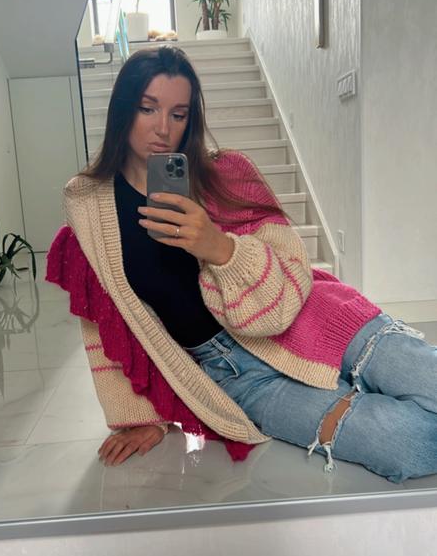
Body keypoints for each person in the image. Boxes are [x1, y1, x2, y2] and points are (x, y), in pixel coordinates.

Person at [46, 45, 437, 484]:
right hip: (238, 376)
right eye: (147, 108)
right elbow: (105, 322)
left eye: (179, 114)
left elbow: (286, 293)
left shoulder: (228, 173)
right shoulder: (88, 205)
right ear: (123, 109)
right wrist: (139, 414)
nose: (163, 128)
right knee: (408, 442)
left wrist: (219, 248)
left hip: (318, 321)